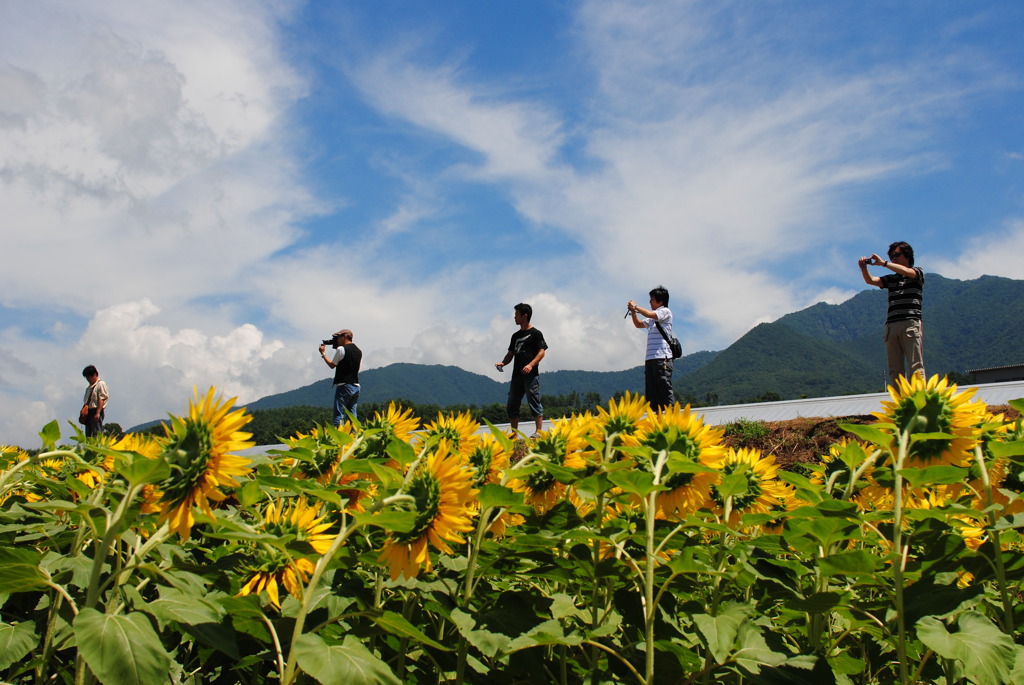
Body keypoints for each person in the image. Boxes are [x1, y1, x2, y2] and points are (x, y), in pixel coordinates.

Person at [858, 241, 925, 386]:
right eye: (891, 256)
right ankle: (899, 404)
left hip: (910, 323)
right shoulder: (892, 278)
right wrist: (864, 268)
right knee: (895, 370)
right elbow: (871, 281)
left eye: (897, 255)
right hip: (892, 325)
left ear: (907, 256)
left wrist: (883, 263)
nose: (894, 259)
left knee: (915, 366)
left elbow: (908, 272)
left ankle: (920, 402)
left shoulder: (917, 272)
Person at [495, 303, 548, 437]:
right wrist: (503, 362)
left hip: (531, 376)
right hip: (517, 376)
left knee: (534, 401)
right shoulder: (515, 336)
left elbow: (541, 352)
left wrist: (531, 365)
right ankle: (514, 434)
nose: (514, 317)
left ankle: (539, 432)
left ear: (525, 316)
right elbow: (510, 354)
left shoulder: (536, 333)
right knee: (512, 404)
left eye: (516, 315)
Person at [627, 286, 676, 412]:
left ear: (660, 301)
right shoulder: (652, 318)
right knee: (652, 392)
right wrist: (633, 312)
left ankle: (671, 419)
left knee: (664, 389)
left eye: (652, 299)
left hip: (662, 358)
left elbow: (649, 314)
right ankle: (656, 420)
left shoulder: (665, 311)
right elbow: (638, 324)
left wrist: (635, 307)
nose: (650, 302)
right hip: (651, 359)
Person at [319, 329, 362, 427]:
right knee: (352, 416)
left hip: (344, 386)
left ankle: (339, 439)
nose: (337, 340)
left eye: (338, 337)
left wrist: (323, 353)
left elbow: (332, 365)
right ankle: (355, 437)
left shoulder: (341, 349)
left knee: (339, 415)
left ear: (345, 337)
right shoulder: (359, 351)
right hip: (356, 386)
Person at [81, 365, 109, 438]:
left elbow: (101, 399)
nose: (88, 379)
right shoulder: (89, 388)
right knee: (89, 436)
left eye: (89, 376)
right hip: (89, 413)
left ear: (95, 375)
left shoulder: (100, 384)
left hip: (95, 411)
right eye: (86, 377)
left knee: (96, 434)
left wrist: (98, 413)